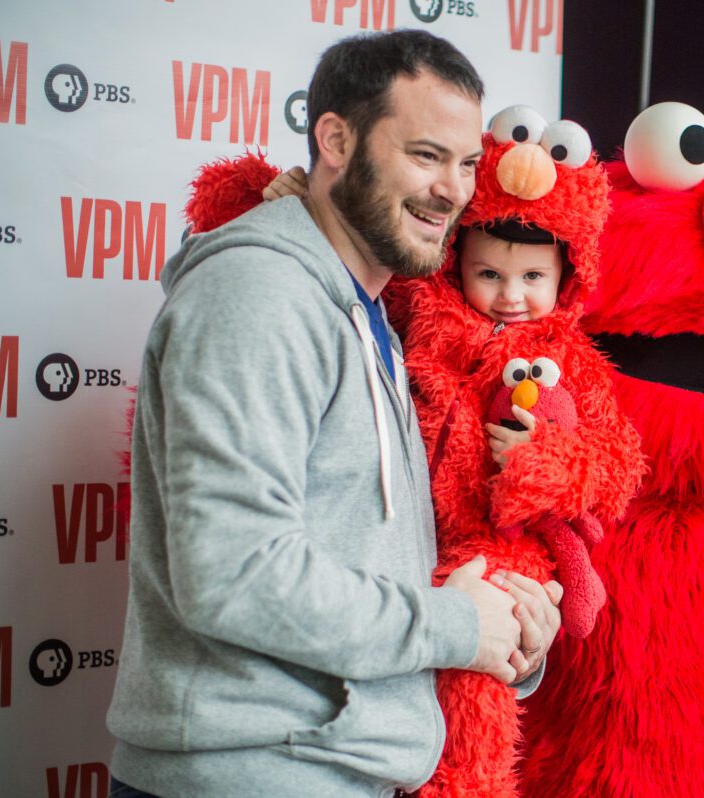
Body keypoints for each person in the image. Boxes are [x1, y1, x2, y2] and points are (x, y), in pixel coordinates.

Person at [105, 31, 563, 798]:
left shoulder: (365, 313)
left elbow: (366, 561)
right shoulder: (260, 294)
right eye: (424, 155)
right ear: (336, 141)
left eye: (466, 164)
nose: (452, 190)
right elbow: (231, 574)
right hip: (248, 776)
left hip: (328, 770)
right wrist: (455, 625)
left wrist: (506, 632)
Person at [186, 103, 644, 796]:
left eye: (533, 280)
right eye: (490, 275)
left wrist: (544, 462)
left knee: (474, 720)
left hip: (496, 555)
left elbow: (617, 465)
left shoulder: (572, 356)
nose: (511, 297)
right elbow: (332, 260)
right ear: (458, 263)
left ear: (567, 278)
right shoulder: (416, 312)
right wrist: (268, 204)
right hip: (389, 560)